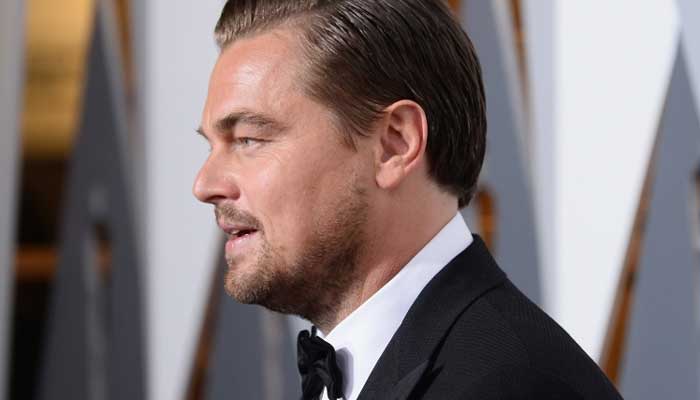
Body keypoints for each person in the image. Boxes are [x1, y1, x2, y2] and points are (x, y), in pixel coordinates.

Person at [193, 1, 623, 399]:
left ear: (395, 144)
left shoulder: (515, 386)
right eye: (211, 145)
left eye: (248, 139)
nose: (204, 184)